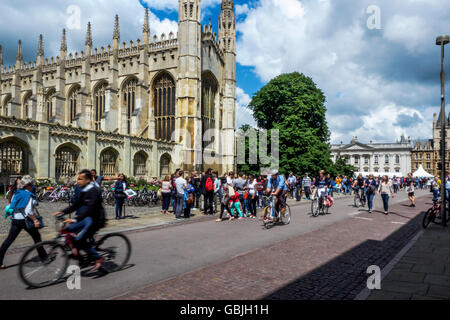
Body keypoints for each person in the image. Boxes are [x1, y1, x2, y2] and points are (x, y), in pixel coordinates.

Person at [54, 169, 106, 271]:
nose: (77, 181)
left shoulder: (94, 190)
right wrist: (62, 212)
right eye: (78, 178)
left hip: (96, 219)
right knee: (68, 230)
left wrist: (76, 219)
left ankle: (99, 258)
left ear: (87, 180)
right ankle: (79, 256)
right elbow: (77, 205)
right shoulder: (84, 189)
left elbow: (90, 208)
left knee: (80, 240)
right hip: (86, 218)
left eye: (80, 179)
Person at [0, 176, 45, 269]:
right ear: (28, 186)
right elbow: (29, 211)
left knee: (8, 240)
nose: (33, 186)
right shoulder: (28, 195)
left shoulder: (17, 193)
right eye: (32, 185)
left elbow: (13, 205)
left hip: (16, 219)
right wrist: (35, 220)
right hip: (25, 220)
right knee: (37, 237)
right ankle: (44, 257)